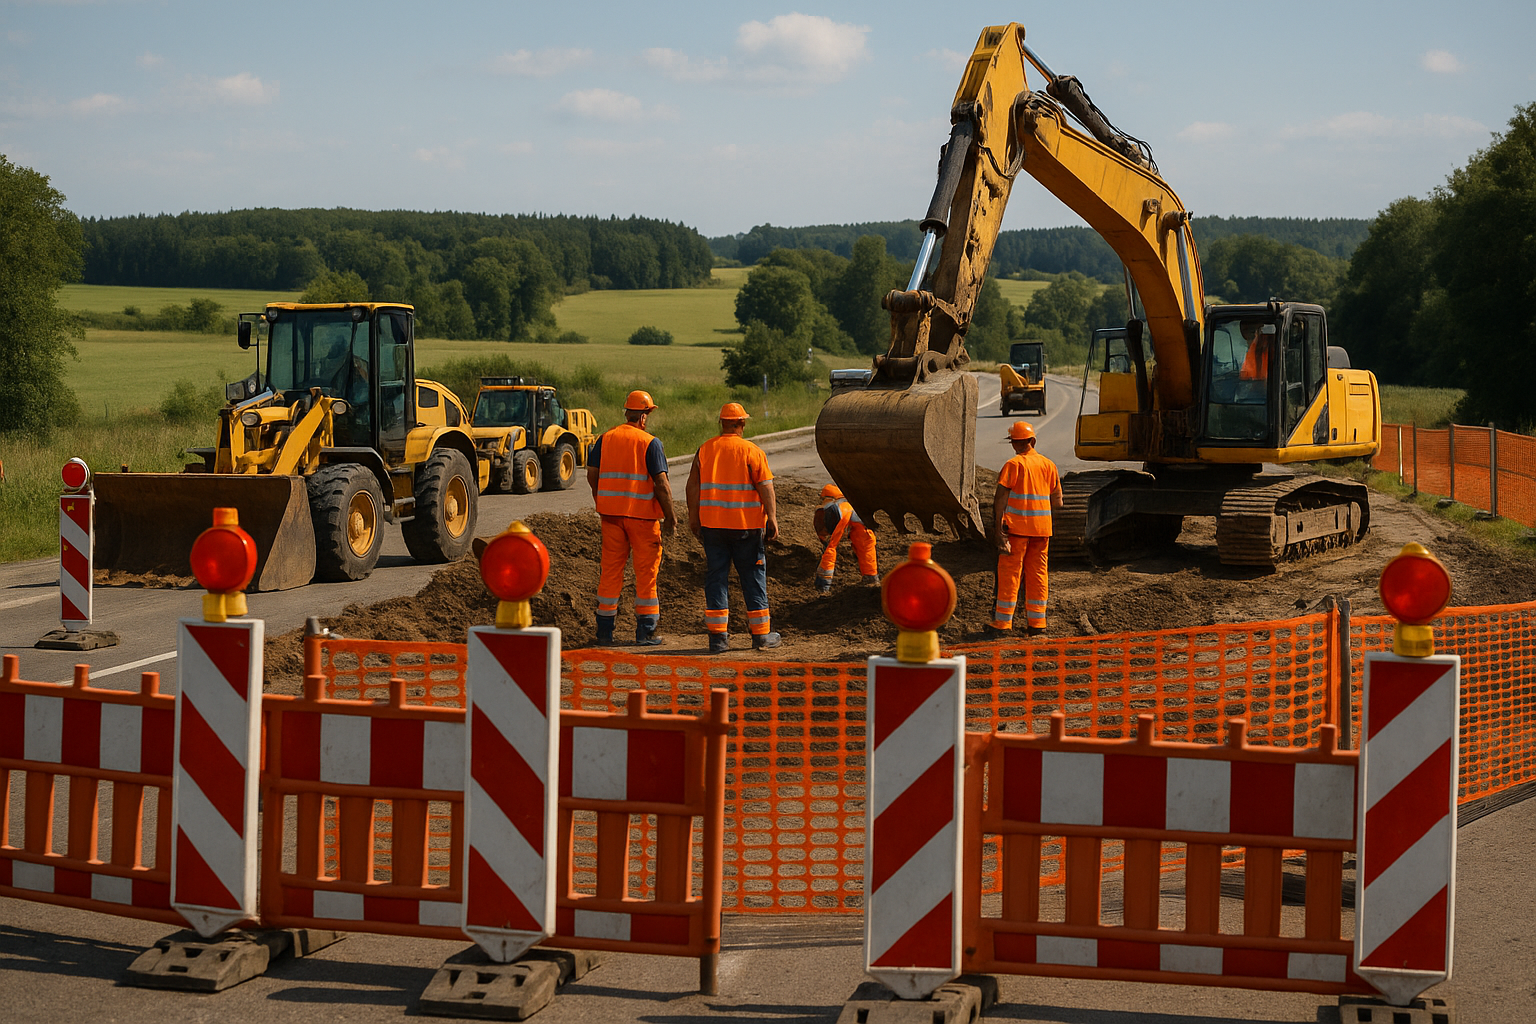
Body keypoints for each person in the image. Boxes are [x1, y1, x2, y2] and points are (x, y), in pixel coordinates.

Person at [686, 402, 779, 654]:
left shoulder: (705, 450)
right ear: (742, 424)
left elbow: (692, 486)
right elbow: (766, 487)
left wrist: (694, 518)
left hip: (713, 527)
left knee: (716, 578)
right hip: (746, 527)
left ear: (721, 423)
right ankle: (761, 635)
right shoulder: (752, 451)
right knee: (753, 577)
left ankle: (718, 638)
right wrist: (772, 518)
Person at [586, 390, 677, 646]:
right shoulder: (650, 443)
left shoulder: (606, 438)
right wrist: (670, 517)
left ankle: (604, 633)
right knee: (646, 573)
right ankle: (645, 632)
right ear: (644, 416)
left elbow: (592, 474)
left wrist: (602, 499)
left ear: (627, 413)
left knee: (610, 571)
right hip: (642, 519)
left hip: (611, 517)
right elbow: (661, 484)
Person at [990, 420, 1064, 637]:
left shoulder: (1014, 465)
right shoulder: (1049, 465)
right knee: (1038, 574)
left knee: (1010, 574)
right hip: (1042, 532)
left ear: (1014, 443)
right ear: (1033, 441)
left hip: (1017, 532)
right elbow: (1058, 503)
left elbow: (1000, 499)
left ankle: (1003, 624)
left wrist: (998, 529)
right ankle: (1037, 623)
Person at [813, 484, 878, 592]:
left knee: (831, 546)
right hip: (856, 508)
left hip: (838, 509)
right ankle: (870, 577)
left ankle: (823, 584)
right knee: (866, 543)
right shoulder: (852, 487)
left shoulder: (831, 492)